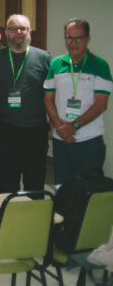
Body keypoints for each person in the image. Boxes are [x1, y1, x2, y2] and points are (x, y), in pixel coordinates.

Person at [0, 14, 51, 193]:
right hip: (6, 131)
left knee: (35, 181)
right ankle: (6, 211)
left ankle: (33, 210)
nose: (19, 32)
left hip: (36, 131)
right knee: (7, 180)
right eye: (13, 29)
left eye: (23, 28)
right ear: (6, 33)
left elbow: (51, 95)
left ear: (30, 32)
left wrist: (54, 123)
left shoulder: (44, 58)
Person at [44, 19, 111, 184]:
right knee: (62, 187)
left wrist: (72, 127)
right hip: (61, 140)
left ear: (88, 39)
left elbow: (101, 105)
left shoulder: (100, 65)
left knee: (89, 190)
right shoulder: (56, 64)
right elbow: (48, 98)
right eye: (69, 37)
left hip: (89, 141)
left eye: (78, 38)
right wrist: (60, 127)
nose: (73, 43)